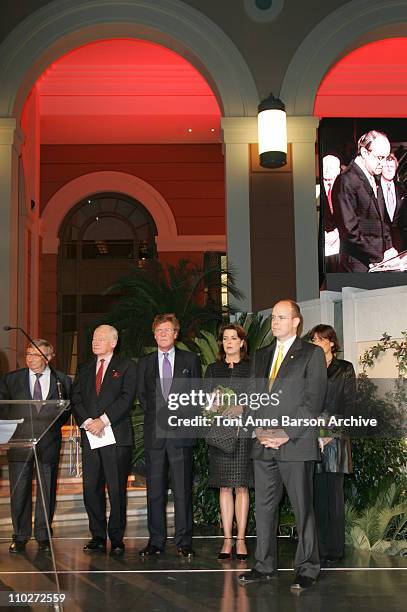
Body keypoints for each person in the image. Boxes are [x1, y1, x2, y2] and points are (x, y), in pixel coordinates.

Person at [239, 300, 326, 591]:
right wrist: (259, 430)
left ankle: (308, 568)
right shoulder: (262, 355)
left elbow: (312, 401)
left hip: (296, 444)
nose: (274, 322)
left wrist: (286, 432)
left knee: (303, 508)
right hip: (264, 445)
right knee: (263, 509)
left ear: (296, 322)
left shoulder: (311, 354)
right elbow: (253, 397)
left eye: (281, 317)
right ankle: (263, 565)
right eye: (273, 317)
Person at [136, 313, 201, 558]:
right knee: (155, 490)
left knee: (183, 489)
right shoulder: (144, 362)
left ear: (176, 334)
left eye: (167, 330)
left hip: (181, 434)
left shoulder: (190, 360)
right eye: (158, 331)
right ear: (154, 335)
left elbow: (196, 394)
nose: (162, 334)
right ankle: (156, 541)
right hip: (155, 434)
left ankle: (184, 541)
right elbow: (142, 396)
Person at [71, 324, 137, 556]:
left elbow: (127, 398)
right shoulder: (84, 367)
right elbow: (76, 398)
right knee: (91, 488)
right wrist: (89, 421)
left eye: (101, 338)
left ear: (113, 342)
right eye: (94, 338)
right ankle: (97, 535)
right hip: (90, 435)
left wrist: (103, 420)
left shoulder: (127, 366)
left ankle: (116, 536)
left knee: (117, 489)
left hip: (116, 435)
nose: (95, 342)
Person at [0, 340, 71, 554]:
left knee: (46, 490)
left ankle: (43, 535)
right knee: (19, 490)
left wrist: (49, 427)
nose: (30, 358)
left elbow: (66, 409)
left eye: (36, 354)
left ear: (48, 357)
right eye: (28, 353)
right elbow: (3, 406)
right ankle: (20, 536)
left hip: (48, 443)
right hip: (20, 444)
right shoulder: (12, 379)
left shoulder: (62, 380)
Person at [204, 324, 252, 561]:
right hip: (220, 434)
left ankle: (241, 540)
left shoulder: (251, 368)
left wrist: (242, 407)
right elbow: (205, 402)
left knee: (242, 487)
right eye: (225, 338)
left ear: (242, 342)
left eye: (234, 338)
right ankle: (226, 540)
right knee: (224, 487)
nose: (229, 342)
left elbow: (261, 399)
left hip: (243, 433)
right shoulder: (213, 369)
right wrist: (215, 404)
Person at [309, 324, 355, 565]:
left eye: (320, 339)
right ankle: (318, 549)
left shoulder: (344, 369)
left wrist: (331, 432)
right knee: (316, 497)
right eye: (314, 340)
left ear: (331, 343)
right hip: (311, 439)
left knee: (333, 499)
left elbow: (349, 406)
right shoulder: (309, 369)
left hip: (336, 441)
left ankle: (334, 552)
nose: (316, 343)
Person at [332, 130, 397, 272]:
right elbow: (350, 231)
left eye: (386, 158)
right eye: (380, 157)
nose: (383, 164)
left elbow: (382, 221)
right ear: (364, 152)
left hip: (378, 264)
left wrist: (390, 249)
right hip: (358, 265)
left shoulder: (374, 176)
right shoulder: (345, 180)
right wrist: (379, 257)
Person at [381, 153, 407, 253]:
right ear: (381, 168)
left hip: (399, 243)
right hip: (380, 243)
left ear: (396, 168)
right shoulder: (373, 188)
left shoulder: (402, 189)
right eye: (386, 166)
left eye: (392, 166)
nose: (389, 169)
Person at [322, 154, 341, 272]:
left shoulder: (345, 188)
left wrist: (337, 232)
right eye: (325, 166)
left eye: (331, 167)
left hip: (341, 242)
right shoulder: (313, 187)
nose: (327, 170)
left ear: (339, 171)